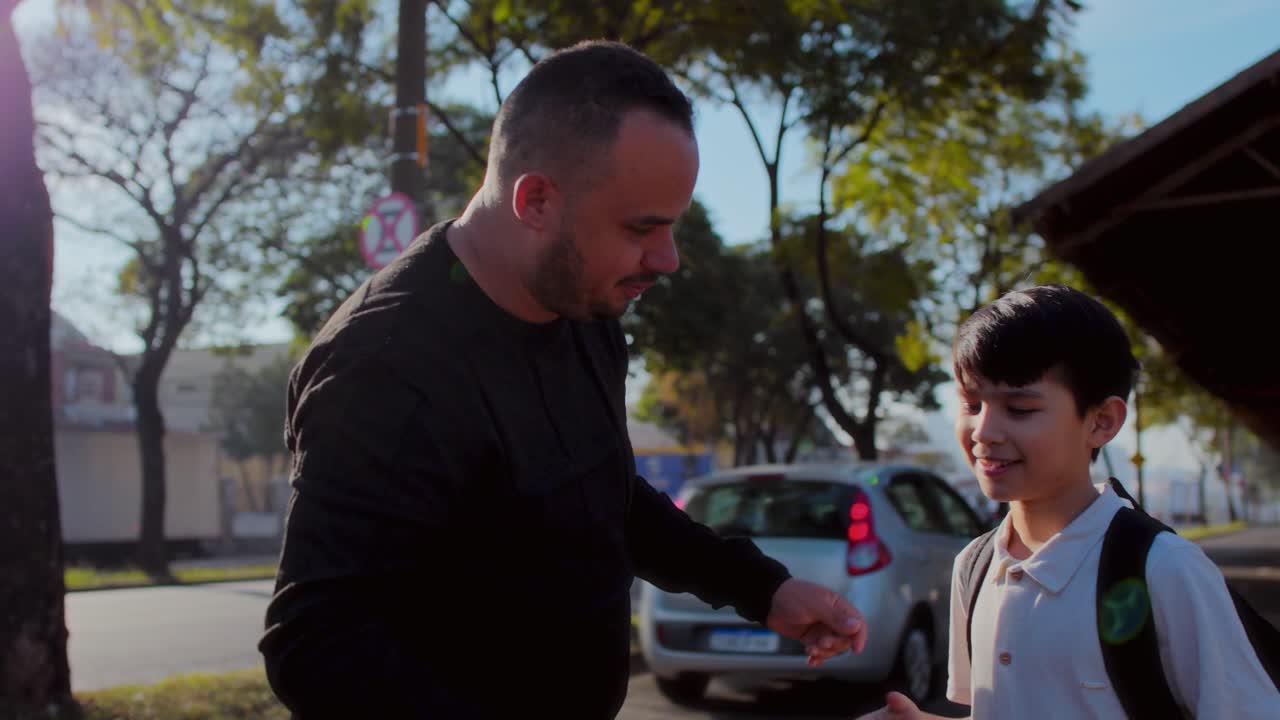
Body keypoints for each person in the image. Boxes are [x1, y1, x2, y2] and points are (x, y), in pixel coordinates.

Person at [259, 40, 868, 719]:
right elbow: (315, 645)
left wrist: (760, 587)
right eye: (643, 228)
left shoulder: (586, 307)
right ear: (538, 199)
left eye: (673, 227)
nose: (667, 259)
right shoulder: (385, 367)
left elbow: (604, 497)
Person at [858, 284, 1278, 719]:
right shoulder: (976, 566)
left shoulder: (1164, 569)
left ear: (1101, 422)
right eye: (971, 403)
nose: (983, 431)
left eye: (1019, 408)